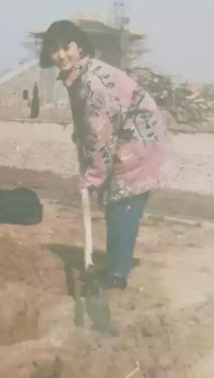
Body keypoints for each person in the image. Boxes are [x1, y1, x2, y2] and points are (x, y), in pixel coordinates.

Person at [39, 20, 170, 321]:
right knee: (116, 206)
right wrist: (80, 136)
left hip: (138, 146)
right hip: (126, 139)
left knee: (123, 208)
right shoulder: (77, 75)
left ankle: (117, 276)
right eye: (55, 49)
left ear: (79, 46)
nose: (61, 54)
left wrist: (92, 177)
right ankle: (115, 265)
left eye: (67, 46)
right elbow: (89, 122)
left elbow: (101, 135)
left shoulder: (93, 82)